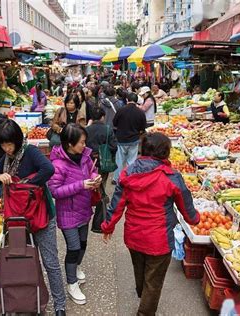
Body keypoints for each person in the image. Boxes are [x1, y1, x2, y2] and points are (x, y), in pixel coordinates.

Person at [102, 132, 200, 315]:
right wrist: (195, 219)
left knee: (140, 271)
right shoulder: (172, 177)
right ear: (165, 153)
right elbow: (187, 209)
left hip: (134, 236)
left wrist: (108, 227)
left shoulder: (128, 173)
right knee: (153, 281)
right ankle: (145, 311)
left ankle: (143, 296)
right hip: (159, 239)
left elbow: (116, 205)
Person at [0, 120, 66, 316]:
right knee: (25, 260)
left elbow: (48, 169)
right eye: (3, 145)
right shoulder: (5, 157)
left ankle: (60, 305)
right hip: (19, 219)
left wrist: (24, 183)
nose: (7, 149)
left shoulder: (29, 152)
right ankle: (31, 301)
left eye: (10, 144)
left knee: (50, 262)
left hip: (42, 214)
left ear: (18, 141)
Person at [48, 124, 101, 305]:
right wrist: (81, 185)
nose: (84, 145)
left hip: (84, 209)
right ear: (70, 144)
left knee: (83, 244)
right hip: (68, 213)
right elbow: (54, 191)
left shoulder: (84, 156)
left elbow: (91, 170)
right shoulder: (58, 165)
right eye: (81, 142)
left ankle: (76, 268)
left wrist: (95, 177)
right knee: (73, 248)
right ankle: (72, 284)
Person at [112, 93, 147, 185]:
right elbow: (143, 127)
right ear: (136, 101)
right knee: (131, 160)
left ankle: (117, 179)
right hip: (134, 139)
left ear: (127, 100)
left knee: (119, 160)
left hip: (121, 139)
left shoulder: (121, 110)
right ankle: (128, 177)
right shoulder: (140, 112)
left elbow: (114, 123)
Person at [85, 106, 117, 183]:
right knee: (102, 181)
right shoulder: (108, 129)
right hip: (104, 161)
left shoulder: (86, 130)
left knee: (91, 181)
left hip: (90, 160)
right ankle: (102, 194)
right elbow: (114, 146)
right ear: (102, 117)